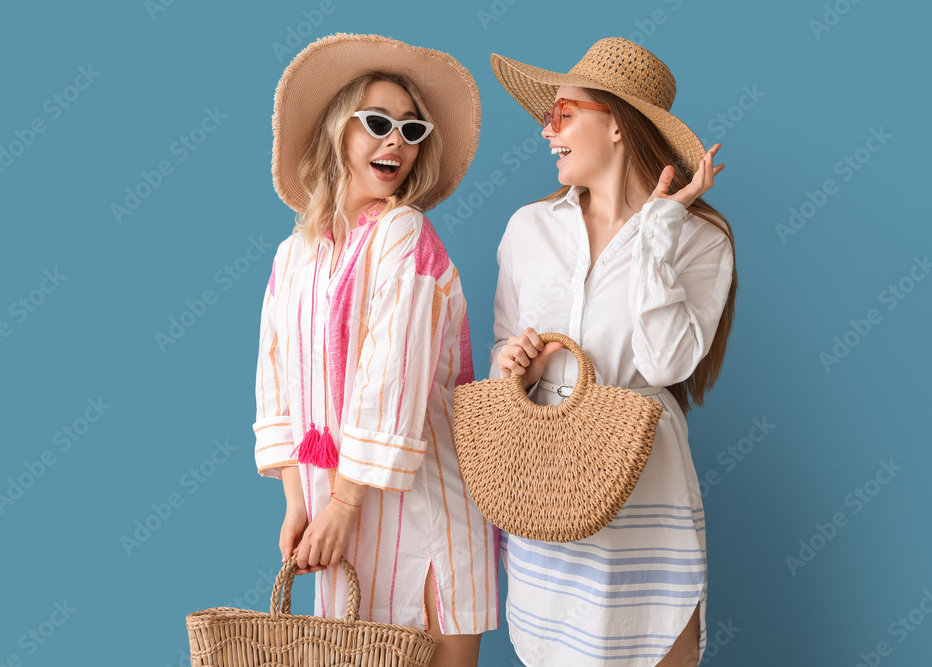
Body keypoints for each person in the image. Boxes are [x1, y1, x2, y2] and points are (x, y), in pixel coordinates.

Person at [488, 37, 737, 666]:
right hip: (547, 485)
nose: (547, 131)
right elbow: (501, 353)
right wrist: (513, 365)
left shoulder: (700, 237)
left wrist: (658, 230)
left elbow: (665, 364)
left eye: (564, 114)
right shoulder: (527, 229)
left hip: (646, 490)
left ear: (618, 124)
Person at [253, 33, 498, 667]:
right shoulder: (294, 255)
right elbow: (275, 383)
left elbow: (391, 374)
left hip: (419, 511)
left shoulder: (403, 234)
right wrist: (298, 503)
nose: (397, 140)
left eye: (411, 129)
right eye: (378, 123)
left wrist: (340, 504)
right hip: (336, 513)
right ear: (339, 132)